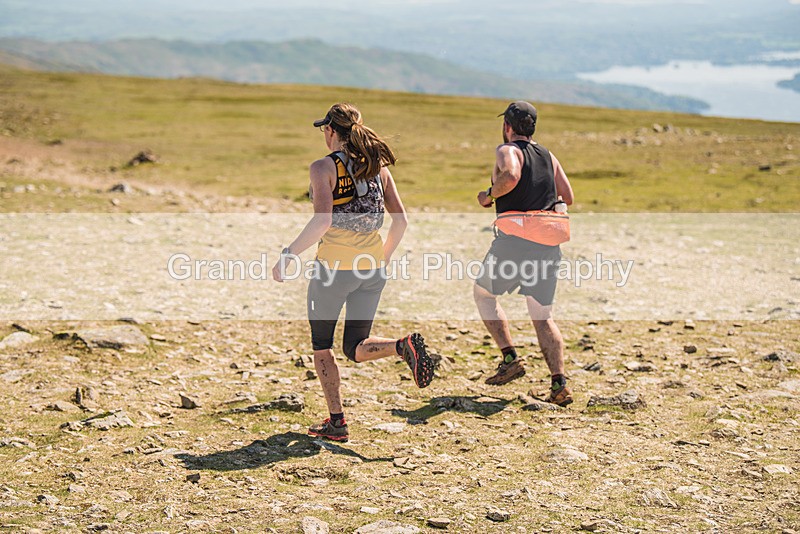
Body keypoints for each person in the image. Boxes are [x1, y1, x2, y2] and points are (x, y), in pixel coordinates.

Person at [272, 103, 434, 442]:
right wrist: (382, 258)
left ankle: (337, 422)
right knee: (356, 345)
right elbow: (401, 221)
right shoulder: (380, 169)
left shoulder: (323, 168)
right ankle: (401, 346)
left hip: (333, 271)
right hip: (372, 269)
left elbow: (322, 221)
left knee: (322, 347)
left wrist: (289, 254)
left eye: (324, 130)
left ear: (331, 131)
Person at [474, 101, 575, 406]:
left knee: (483, 295)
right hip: (547, 244)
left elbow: (512, 175)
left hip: (514, 243)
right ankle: (559, 384)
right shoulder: (549, 155)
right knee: (542, 317)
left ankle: (510, 358)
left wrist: (489, 195)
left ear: (507, 126)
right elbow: (568, 195)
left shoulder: (507, 150)